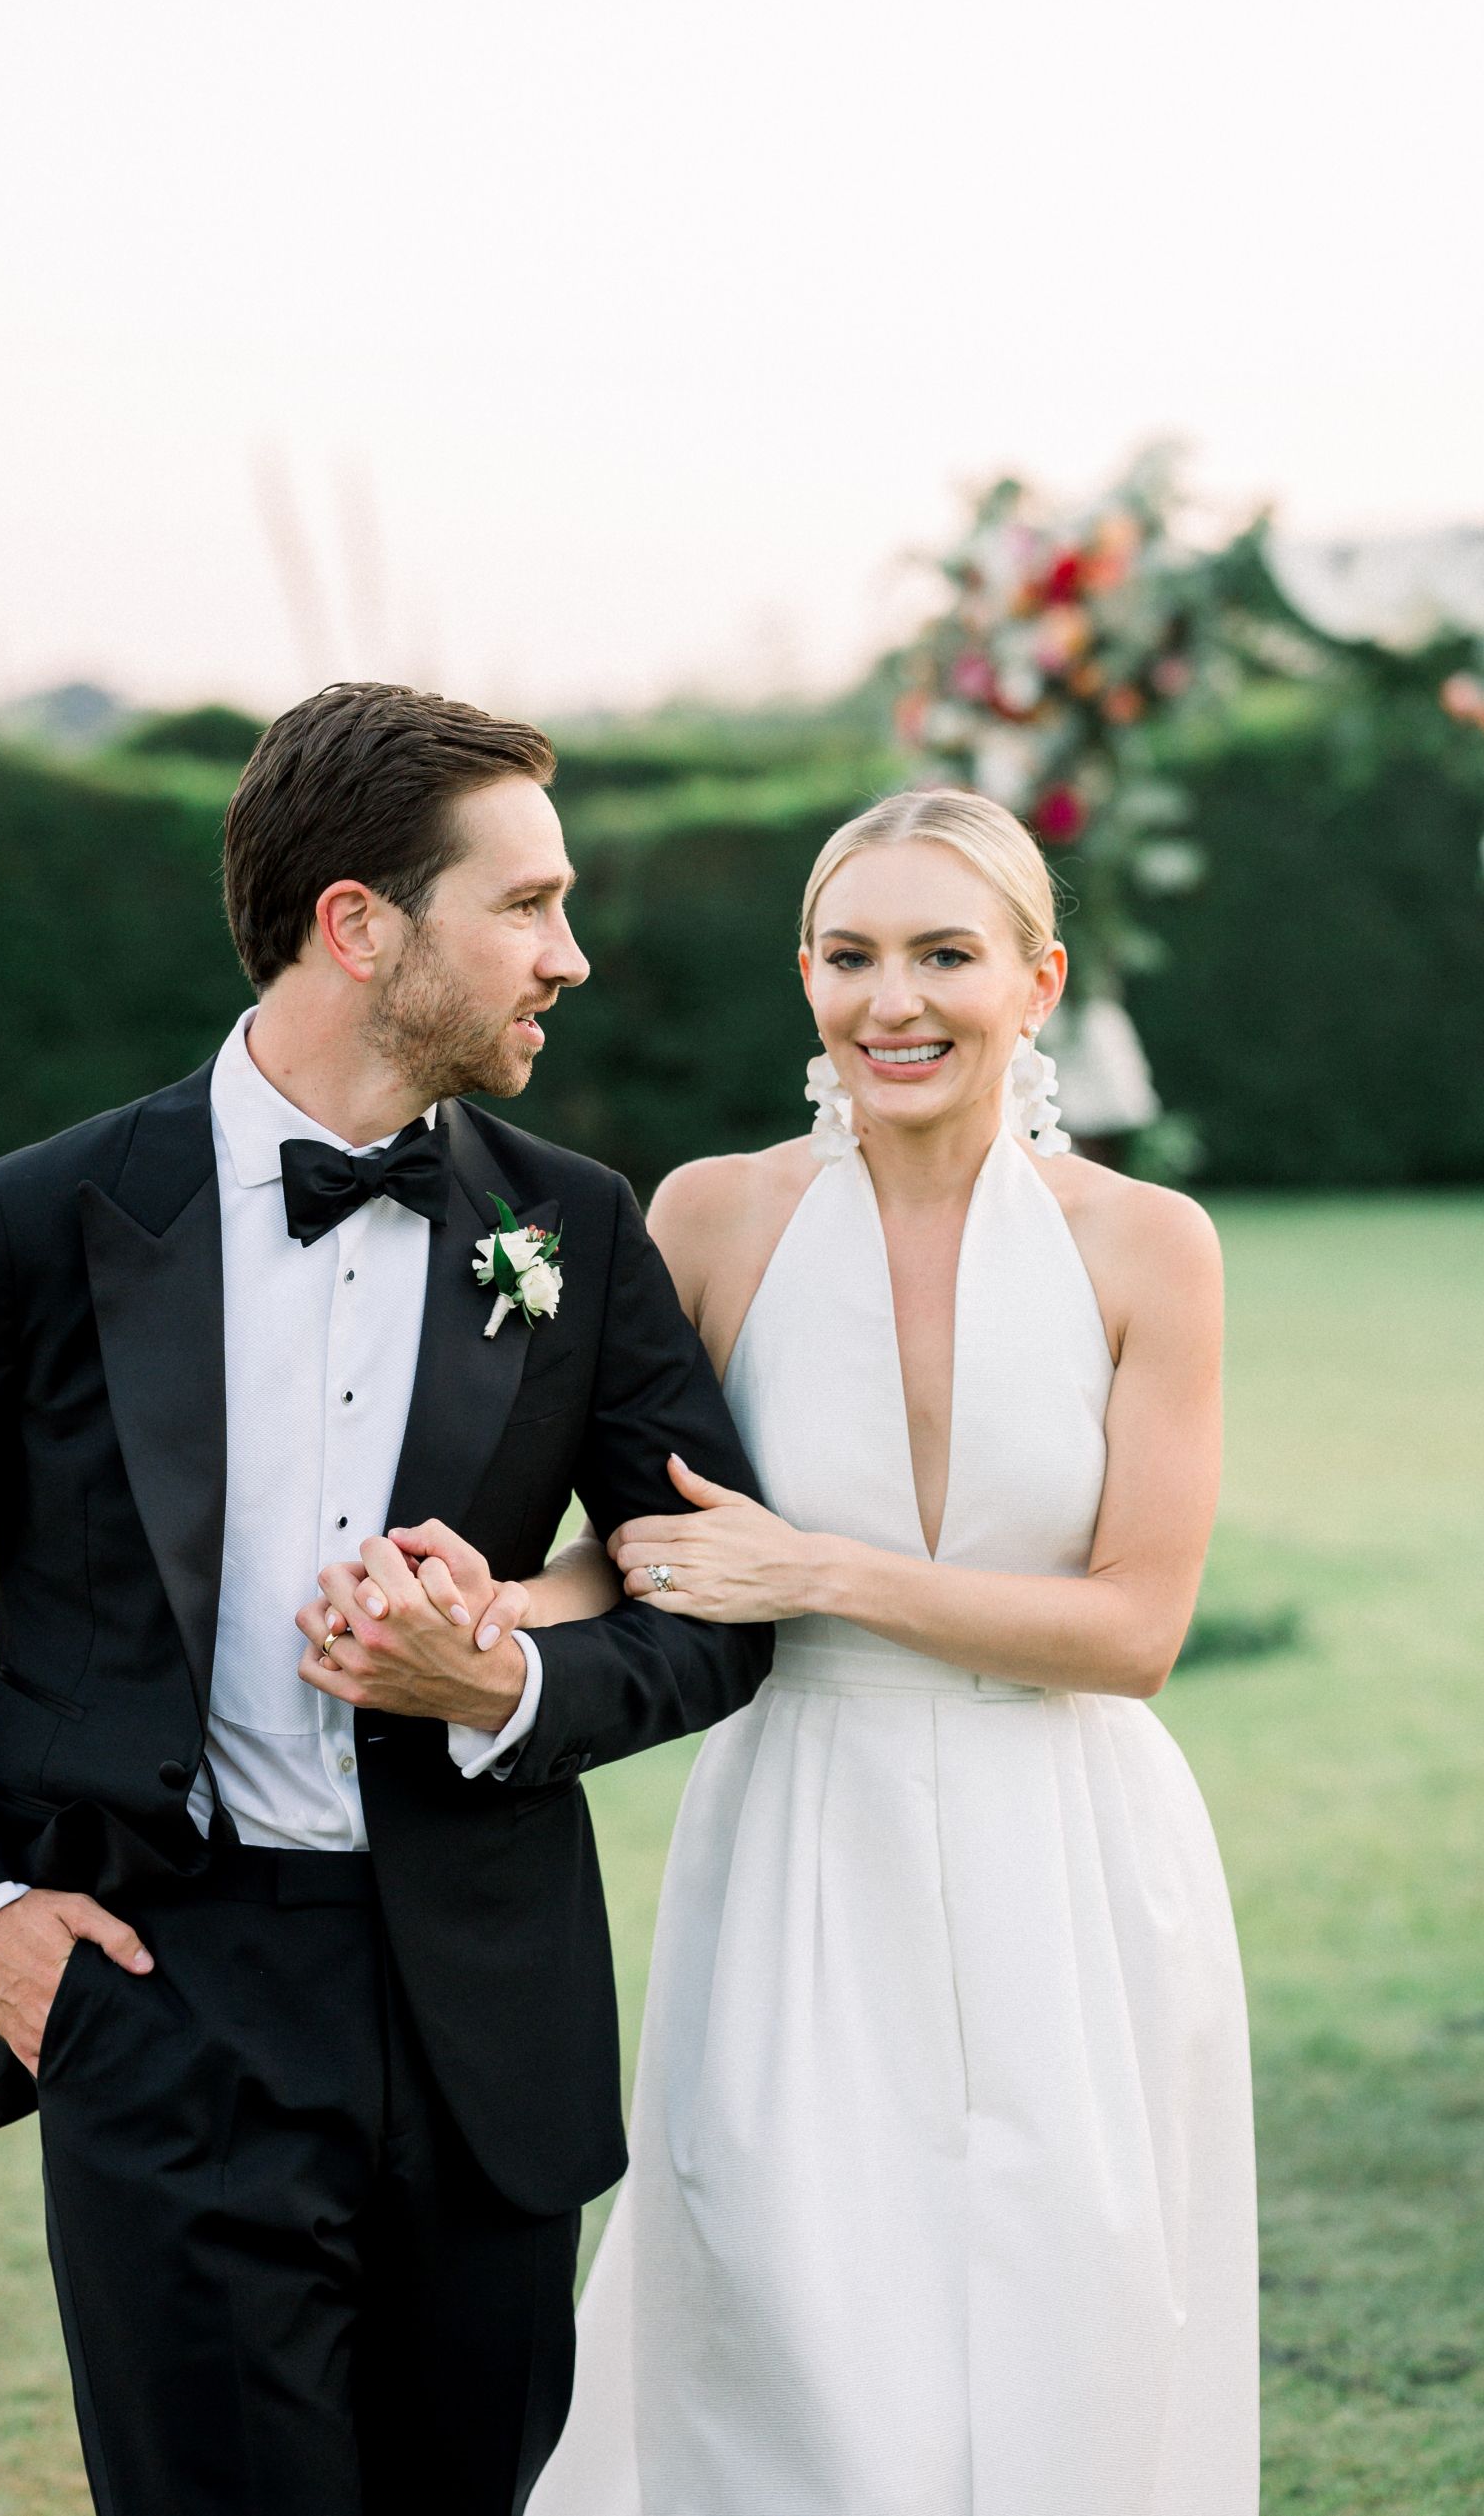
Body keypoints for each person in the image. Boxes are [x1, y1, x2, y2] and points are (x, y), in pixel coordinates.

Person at [0, 682, 773, 2516]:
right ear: (360, 923)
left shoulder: (577, 1226)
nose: (573, 953)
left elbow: (711, 1599)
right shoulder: (42, 1219)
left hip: (487, 2026)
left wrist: (507, 1693)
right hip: (167, 2012)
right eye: (528, 905)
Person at [502, 786, 1258, 2515]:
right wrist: (490, 1611)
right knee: (785, 2316)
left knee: (1073, 2317)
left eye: (945, 955)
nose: (892, 1002)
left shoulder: (1149, 1245)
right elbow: (633, 1552)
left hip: (1067, 1849)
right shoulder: (710, 1219)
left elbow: (1136, 1629)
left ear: (1039, 978)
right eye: (851, 957)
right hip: (799, 1839)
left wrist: (818, 1571)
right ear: (805, 975)